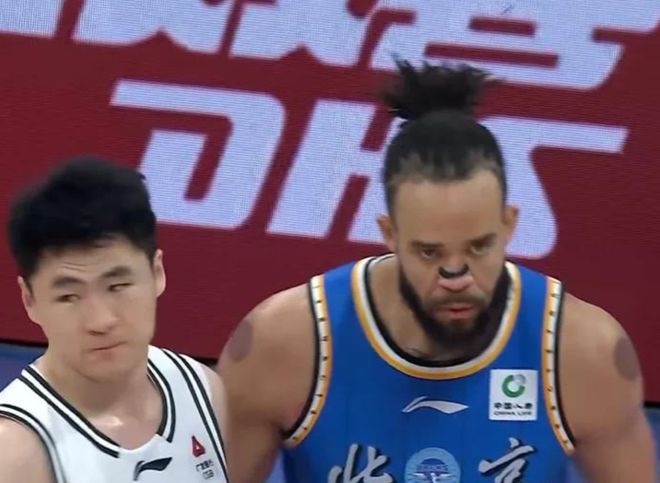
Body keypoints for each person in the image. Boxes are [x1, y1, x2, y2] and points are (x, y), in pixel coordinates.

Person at [217, 61, 656, 482]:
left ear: (509, 225)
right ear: (390, 234)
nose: (456, 274)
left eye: (479, 247)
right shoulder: (285, 345)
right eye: (429, 252)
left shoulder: (581, 353)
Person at [0, 158, 229, 482]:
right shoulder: (13, 452)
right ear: (29, 300)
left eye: (118, 286)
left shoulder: (203, 391)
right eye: (69, 296)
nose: (101, 320)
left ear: (157, 273)